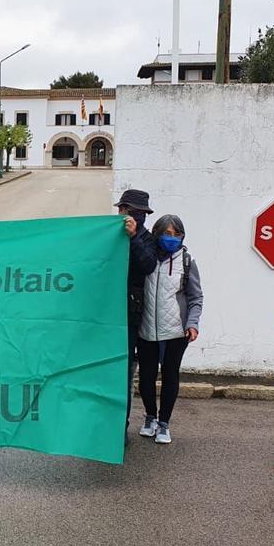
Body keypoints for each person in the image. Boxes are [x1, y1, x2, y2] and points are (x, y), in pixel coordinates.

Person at [135, 214, 203, 445]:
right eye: (167, 233)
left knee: (170, 376)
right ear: (157, 233)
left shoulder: (186, 261)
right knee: (145, 378)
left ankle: (164, 423)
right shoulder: (146, 258)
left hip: (175, 332)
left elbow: (195, 297)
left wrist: (192, 323)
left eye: (177, 234)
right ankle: (150, 416)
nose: (172, 238)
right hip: (146, 330)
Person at [115, 189, 160, 445]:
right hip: (102, 313)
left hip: (129, 315)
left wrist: (133, 238)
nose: (126, 214)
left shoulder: (146, 239)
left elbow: (148, 266)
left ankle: (120, 427)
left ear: (142, 215)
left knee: (122, 373)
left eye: (132, 211)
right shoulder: (108, 232)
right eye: (124, 209)